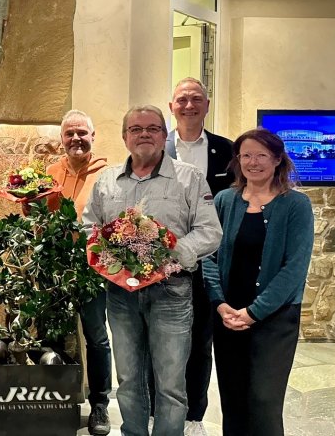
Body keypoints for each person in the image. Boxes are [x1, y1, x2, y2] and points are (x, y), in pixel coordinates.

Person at [82, 105, 221, 436]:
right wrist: (109, 259)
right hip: (120, 295)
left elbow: (210, 231)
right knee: (128, 380)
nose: (144, 134)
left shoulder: (190, 178)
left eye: (153, 128)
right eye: (136, 129)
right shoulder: (106, 181)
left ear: (164, 134)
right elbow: (90, 227)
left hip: (172, 293)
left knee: (171, 384)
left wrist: (171, 254)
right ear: (125, 137)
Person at [202, 128, 313, 436]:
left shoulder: (296, 205)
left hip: (274, 320)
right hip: (227, 318)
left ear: (277, 159)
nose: (253, 162)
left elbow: (295, 268)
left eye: (261, 155)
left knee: (264, 402)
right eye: (246, 155)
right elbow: (208, 256)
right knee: (233, 401)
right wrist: (221, 305)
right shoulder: (225, 200)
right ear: (238, 160)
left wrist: (254, 312)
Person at [160, 77, 235, 436]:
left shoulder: (228, 150)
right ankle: (157, 410)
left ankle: (193, 416)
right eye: (181, 100)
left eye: (196, 100)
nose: (189, 106)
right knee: (158, 339)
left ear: (207, 105)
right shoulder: (157, 148)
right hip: (160, 263)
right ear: (171, 106)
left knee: (200, 340)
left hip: (208, 259)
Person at [45, 109, 111, 435]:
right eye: (69, 134)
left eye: (82, 133)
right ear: (61, 139)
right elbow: (40, 215)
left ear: (93, 136)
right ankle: (59, 401)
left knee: (96, 337)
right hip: (56, 266)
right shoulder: (50, 172)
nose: (76, 139)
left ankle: (99, 404)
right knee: (54, 335)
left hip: (92, 270)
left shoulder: (107, 175)